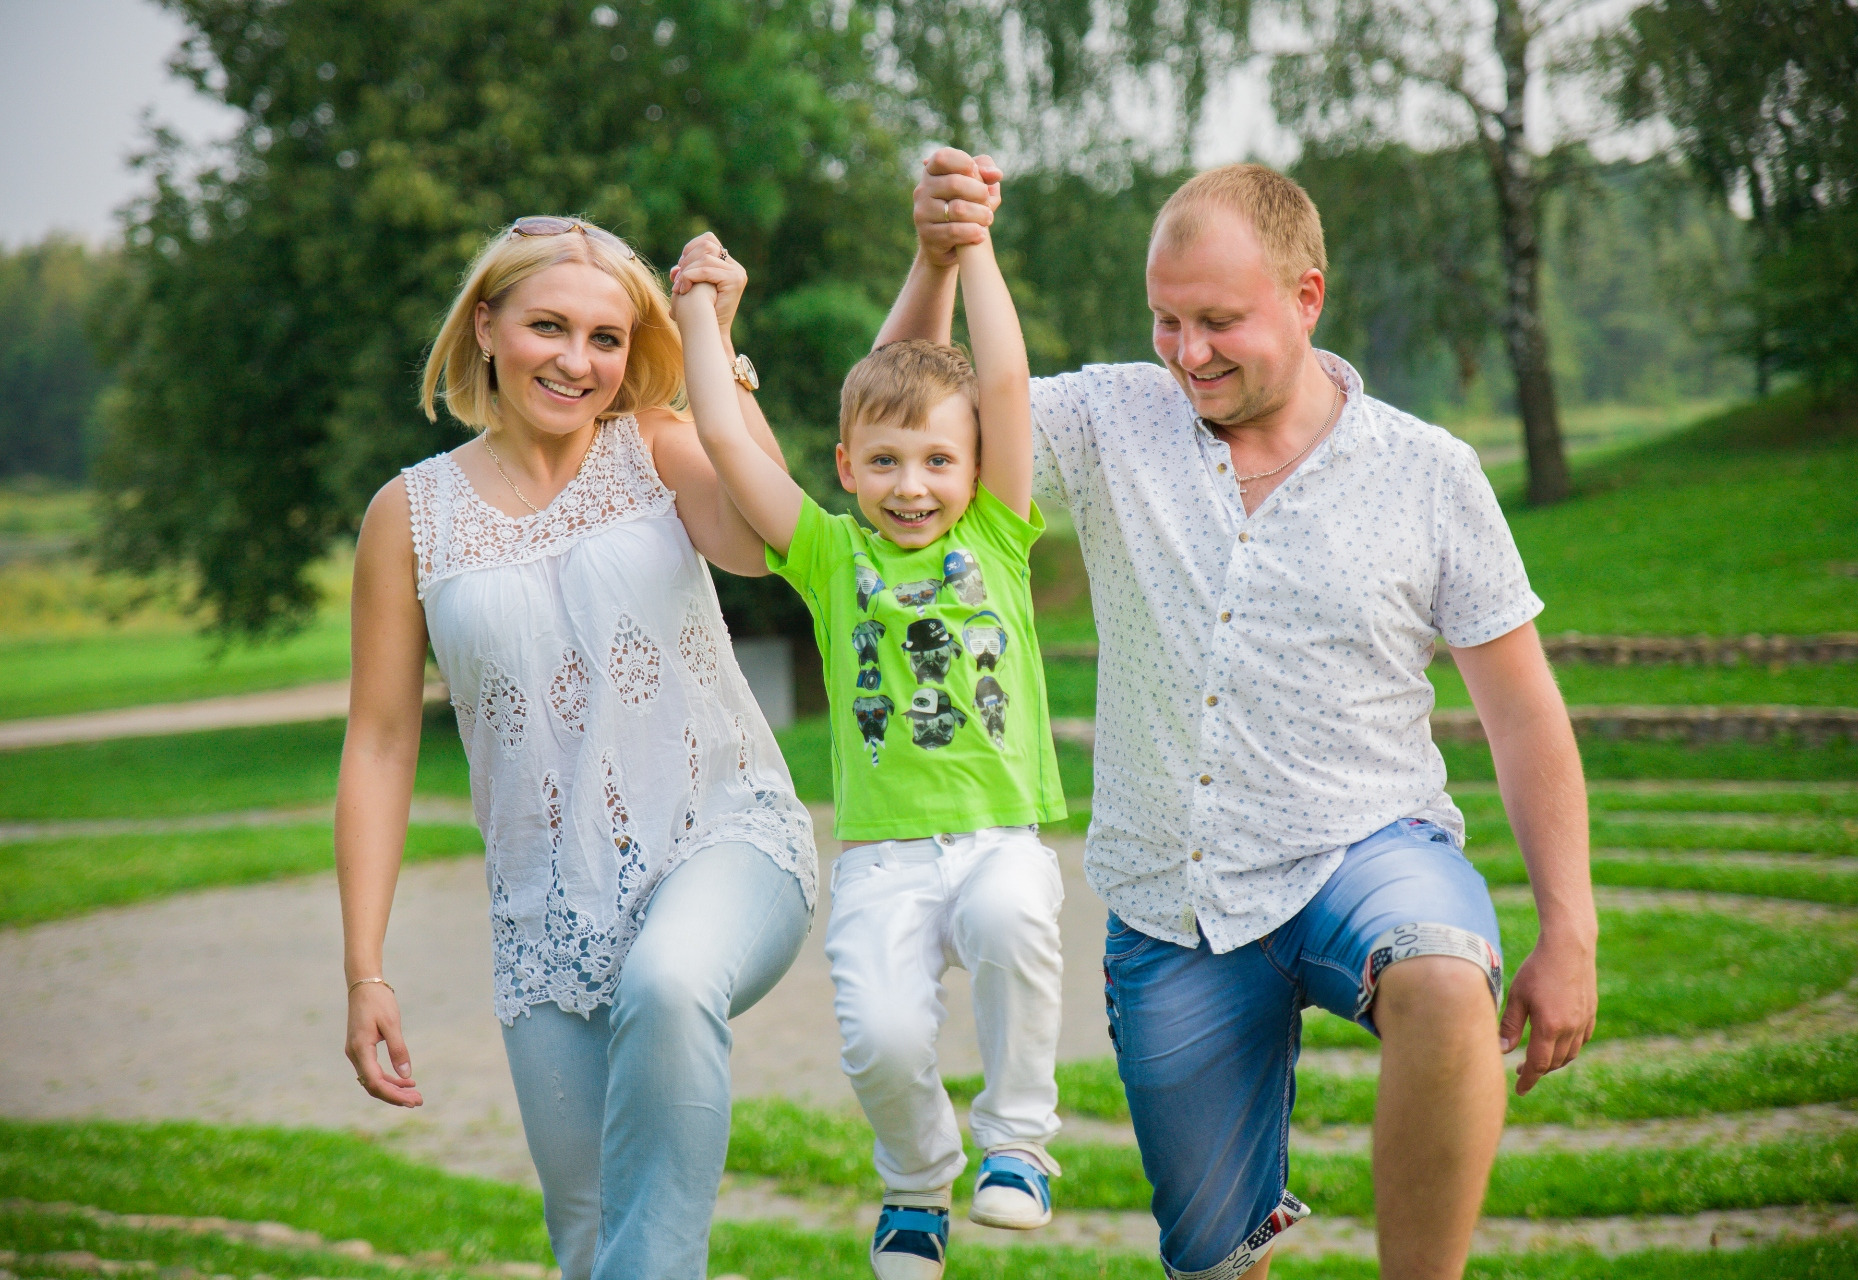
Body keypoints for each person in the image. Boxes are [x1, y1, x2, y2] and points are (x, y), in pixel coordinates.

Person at [880, 155, 1600, 1280]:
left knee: (1446, 972)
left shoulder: (1429, 473)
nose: (1188, 351)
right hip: (1169, 900)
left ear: (1307, 297)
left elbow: (1523, 714)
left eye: (1219, 320)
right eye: (1166, 319)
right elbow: (906, 425)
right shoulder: (1112, 417)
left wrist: (1572, 928)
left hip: (1365, 846)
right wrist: (936, 264)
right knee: (1215, 1263)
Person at [334, 218, 818, 1280]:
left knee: (672, 979)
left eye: (606, 337)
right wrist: (365, 968)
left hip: (729, 840)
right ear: (486, 324)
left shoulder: (658, 443)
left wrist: (714, 351)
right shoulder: (406, 516)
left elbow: (767, 535)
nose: (577, 358)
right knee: (594, 1240)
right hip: (547, 915)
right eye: (549, 325)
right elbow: (378, 742)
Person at [670, 223, 1067, 1279]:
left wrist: (978, 244)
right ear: (846, 466)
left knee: (1012, 913)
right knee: (881, 1037)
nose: (912, 485)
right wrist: (699, 311)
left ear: (976, 465)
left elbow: (1010, 379)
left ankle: (1018, 1143)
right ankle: (915, 1182)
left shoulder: (997, 535)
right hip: (883, 854)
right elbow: (722, 430)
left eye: (939, 459)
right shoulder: (828, 555)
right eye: (884, 461)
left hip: (996, 835)